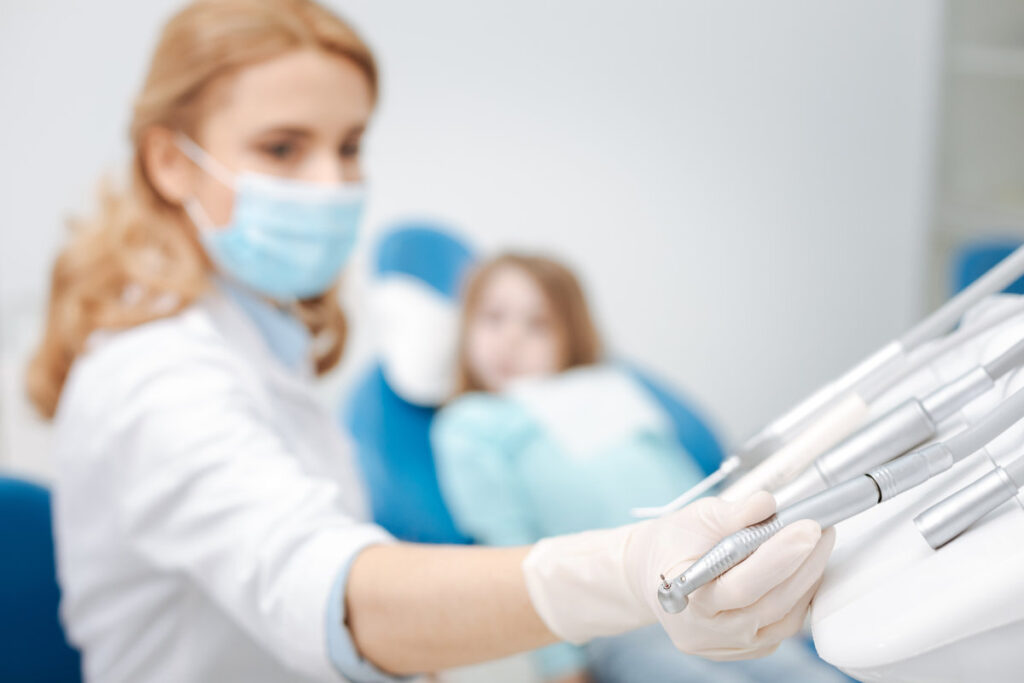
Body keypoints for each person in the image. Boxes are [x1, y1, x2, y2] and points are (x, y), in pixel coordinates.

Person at [26, 2, 835, 681]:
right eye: (282, 148)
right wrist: (625, 570)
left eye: (349, 147)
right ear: (171, 162)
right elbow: (339, 596)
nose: (332, 185)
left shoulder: (260, 347)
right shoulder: (156, 377)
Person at [432, 253, 848, 683]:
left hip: (712, 589)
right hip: (620, 616)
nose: (511, 338)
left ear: (570, 336)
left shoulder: (611, 389)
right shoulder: (470, 422)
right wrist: (562, 669)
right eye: (493, 317)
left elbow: (687, 487)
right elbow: (511, 550)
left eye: (537, 324)